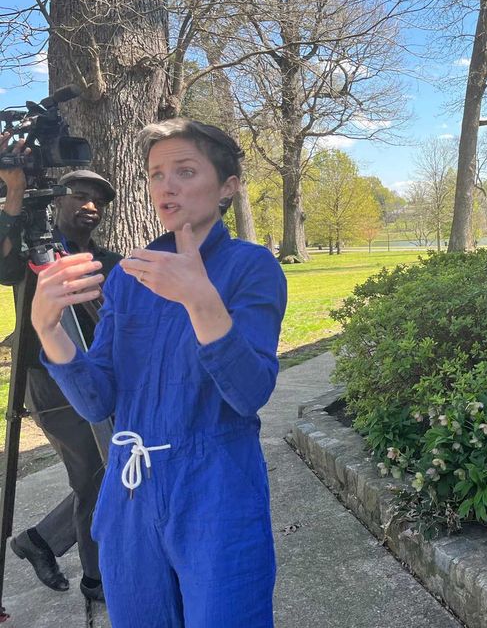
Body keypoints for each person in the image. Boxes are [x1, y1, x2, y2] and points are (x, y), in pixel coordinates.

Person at [31, 118, 286, 627]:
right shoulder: (131, 275)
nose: (166, 186)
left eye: (185, 171)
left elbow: (250, 392)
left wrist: (200, 300)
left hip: (217, 490)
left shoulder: (251, 267)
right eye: (156, 174)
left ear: (227, 187)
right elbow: (96, 401)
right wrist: (48, 329)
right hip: (130, 494)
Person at [0, 144, 121, 603]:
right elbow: (2, 265)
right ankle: (97, 578)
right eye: (80, 195)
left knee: (113, 466)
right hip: (49, 379)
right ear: (56, 200)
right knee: (94, 472)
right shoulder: (37, 254)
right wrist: (14, 194)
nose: (91, 205)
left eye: (99, 200)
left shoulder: (109, 262)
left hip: (100, 376)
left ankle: (41, 540)